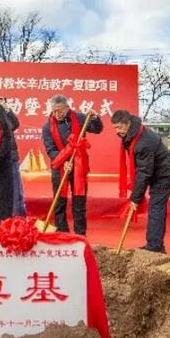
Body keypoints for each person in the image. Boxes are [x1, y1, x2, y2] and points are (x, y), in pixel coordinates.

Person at [111, 110, 170, 253]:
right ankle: (155, 244)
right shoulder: (134, 133)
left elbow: (143, 172)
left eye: (120, 127)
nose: (118, 131)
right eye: (115, 128)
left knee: (156, 208)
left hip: (163, 175)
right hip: (154, 172)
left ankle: (154, 247)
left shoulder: (143, 142)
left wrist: (135, 198)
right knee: (156, 208)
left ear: (128, 123)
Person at [41, 95, 103, 235]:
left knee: (79, 203)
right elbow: (50, 149)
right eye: (54, 110)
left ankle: (80, 234)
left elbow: (97, 129)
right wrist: (63, 162)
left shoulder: (80, 118)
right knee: (59, 202)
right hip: (60, 167)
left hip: (79, 167)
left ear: (67, 108)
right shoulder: (47, 127)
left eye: (60, 110)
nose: (57, 114)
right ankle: (62, 233)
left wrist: (94, 118)